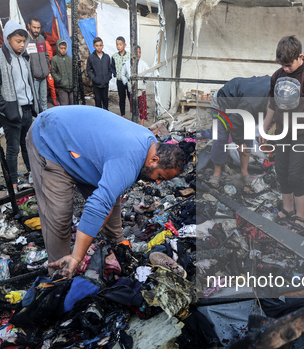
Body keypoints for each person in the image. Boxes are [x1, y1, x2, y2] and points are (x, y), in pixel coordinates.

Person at [26, 106, 186, 277]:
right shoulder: (128, 160)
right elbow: (98, 206)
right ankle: (60, 272)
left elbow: (109, 198)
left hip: (80, 146)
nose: (158, 182)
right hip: (50, 137)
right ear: (154, 160)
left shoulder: (149, 144)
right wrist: (77, 256)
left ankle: (117, 244)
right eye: (160, 176)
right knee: (59, 216)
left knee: (109, 194)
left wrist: (101, 226)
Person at [261, 35, 304, 231]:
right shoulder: (278, 76)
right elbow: (272, 104)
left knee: (296, 176)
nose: (285, 69)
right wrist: (265, 128)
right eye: (282, 65)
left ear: (300, 57)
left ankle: (300, 216)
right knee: (281, 173)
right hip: (283, 132)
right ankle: (287, 209)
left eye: (289, 65)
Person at [0, 21, 38, 190]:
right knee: (13, 149)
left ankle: (32, 175)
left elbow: (28, 84)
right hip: (11, 113)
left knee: (28, 145)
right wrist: (7, 109)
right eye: (18, 41)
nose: (22, 44)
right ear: (7, 39)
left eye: (24, 41)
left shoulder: (23, 57)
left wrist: (34, 104)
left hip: (27, 109)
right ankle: (13, 183)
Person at [206, 75, 270, 189]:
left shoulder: (283, 91)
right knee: (220, 138)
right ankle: (217, 172)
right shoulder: (252, 103)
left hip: (241, 103)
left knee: (248, 139)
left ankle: (244, 172)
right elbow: (235, 123)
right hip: (222, 103)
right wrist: (240, 143)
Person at [120, 45, 149, 125]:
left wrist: (144, 79)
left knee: (142, 107)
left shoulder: (143, 64)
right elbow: (122, 74)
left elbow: (148, 73)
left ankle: (142, 124)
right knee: (133, 107)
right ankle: (134, 123)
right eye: (136, 52)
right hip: (132, 90)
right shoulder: (127, 64)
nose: (138, 54)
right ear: (132, 53)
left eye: (140, 52)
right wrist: (126, 82)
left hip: (141, 89)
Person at [25, 17, 49, 113]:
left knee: (44, 100)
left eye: (38, 28)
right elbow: (24, 60)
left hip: (43, 77)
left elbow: (46, 55)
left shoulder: (41, 38)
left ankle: (45, 121)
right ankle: (36, 123)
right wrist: (30, 75)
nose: (36, 30)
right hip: (33, 79)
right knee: (36, 101)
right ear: (29, 26)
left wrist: (46, 68)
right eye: (34, 27)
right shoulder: (26, 40)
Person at [87, 37, 112, 110]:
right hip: (96, 84)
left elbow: (110, 69)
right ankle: (98, 118)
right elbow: (88, 70)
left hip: (105, 84)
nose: (99, 47)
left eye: (100, 45)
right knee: (98, 102)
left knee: (105, 101)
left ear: (103, 46)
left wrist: (108, 78)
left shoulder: (106, 57)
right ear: (94, 46)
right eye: (97, 45)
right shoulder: (91, 57)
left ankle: (106, 118)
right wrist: (94, 79)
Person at [112, 36, 131, 117]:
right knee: (121, 98)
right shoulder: (114, 56)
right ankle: (123, 115)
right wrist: (116, 74)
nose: (118, 46)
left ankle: (133, 114)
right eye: (117, 44)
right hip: (120, 81)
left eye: (120, 44)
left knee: (131, 98)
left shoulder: (130, 56)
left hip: (129, 81)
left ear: (125, 45)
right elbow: (112, 67)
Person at [51, 39, 73, 106]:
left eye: (65, 48)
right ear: (58, 48)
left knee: (73, 105)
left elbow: (74, 71)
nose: (63, 50)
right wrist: (59, 80)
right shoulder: (54, 59)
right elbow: (53, 72)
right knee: (64, 105)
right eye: (61, 48)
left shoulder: (70, 58)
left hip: (71, 87)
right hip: (62, 87)